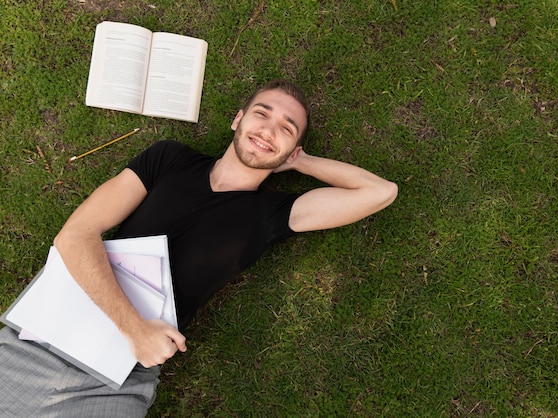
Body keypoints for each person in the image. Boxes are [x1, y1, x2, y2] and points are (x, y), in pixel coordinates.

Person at [0, 79, 397, 417]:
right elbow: (75, 236)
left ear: (290, 149)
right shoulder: (169, 158)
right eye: (262, 114)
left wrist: (302, 162)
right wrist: (134, 328)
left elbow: (380, 192)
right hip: (46, 335)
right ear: (237, 120)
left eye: (287, 128)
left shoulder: (273, 213)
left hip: (117, 376)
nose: (269, 130)